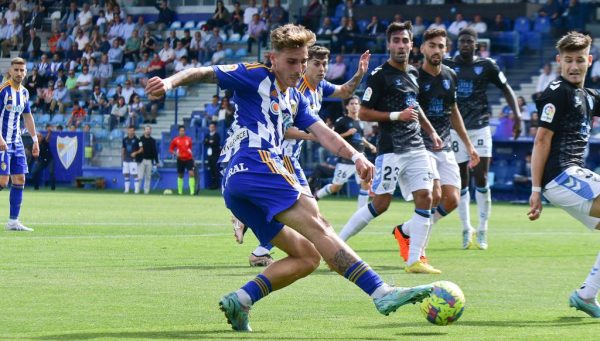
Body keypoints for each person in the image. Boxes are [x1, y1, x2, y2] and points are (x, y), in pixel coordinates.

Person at [145, 23, 434, 332]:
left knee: (307, 256)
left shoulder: (296, 99)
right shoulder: (254, 74)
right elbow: (204, 71)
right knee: (320, 226)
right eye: (291, 62)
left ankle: (241, 299)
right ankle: (381, 293)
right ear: (273, 57)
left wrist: (356, 155)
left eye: (302, 61)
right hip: (256, 161)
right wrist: (170, 82)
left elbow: (325, 134)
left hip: (239, 184)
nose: (298, 69)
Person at [339, 22, 443, 274]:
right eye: (396, 40)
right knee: (381, 203)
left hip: (416, 145)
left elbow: (414, 108)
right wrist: (397, 116)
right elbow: (362, 113)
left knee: (427, 197)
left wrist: (431, 132)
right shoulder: (379, 75)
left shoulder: (414, 73)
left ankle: (414, 261)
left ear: (411, 44)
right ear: (388, 44)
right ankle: (336, 245)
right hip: (391, 149)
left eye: (405, 40)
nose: (401, 45)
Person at [392, 28, 480, 270]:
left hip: (445, 145)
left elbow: (453, 111)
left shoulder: (450, 75)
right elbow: (412, 109)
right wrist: (429, 131)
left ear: (446, 49)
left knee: (452, 200)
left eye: (441, 46)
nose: (437, 50)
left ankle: (407, 230)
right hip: (420, 145)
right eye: (432, 46)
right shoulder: (414, 77)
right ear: (422, 49)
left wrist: (468, 144)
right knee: (435, 194)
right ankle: (418, 254)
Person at [528, 31, 600, 319]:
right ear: (559, 61)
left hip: (571, 176)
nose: (574, 66)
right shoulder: (557, 93)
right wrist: (535, 189)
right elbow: (541, 140)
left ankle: (586, 295)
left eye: (579, 60)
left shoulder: (589, 96)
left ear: (589, 61)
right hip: (561, 175)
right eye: (568, 60)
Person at [443, 27, 521, 250]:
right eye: (462, 41)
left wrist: (517, 115)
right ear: (458, 43)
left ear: (477, 44)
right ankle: (467, 229)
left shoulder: (487, 66)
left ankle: (483, 229)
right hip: (456, 130)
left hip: (480, 128)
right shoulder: (448, 65)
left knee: (482, 177)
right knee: (462, 180)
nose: (465, 44)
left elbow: (506, 88)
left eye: (469, 41)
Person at [315, 95, 376, 207]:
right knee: (336, 187)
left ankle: (360, 213)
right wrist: (347, 133)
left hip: (361, 158)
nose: (354, 106)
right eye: (352, 104)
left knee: (365, 184)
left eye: (356, 104)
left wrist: (370, 145)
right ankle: (317, 195)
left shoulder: (360, 122)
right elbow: (333, 137)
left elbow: (360, 137)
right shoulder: (341, 121)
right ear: (347, 106)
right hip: (346, 160)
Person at [1, 57, 39, 231]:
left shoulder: (24, 93)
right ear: (10, 71)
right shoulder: (3, 90)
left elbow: (27, 117)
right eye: (16, 70)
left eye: (22, 70)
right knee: (2, 181)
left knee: (20, 179)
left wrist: (35, 140)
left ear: (26, 72)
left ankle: (13, 222)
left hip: (16, 142)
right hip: (2, 141)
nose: (19, 73)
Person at [169, 125, 195, 196]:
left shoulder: (188, 139)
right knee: (180, 175)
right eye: (181, 131)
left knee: (191, 173)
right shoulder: (175, 140)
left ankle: (192, 192)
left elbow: (190, 150)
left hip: (189, 159)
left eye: (183, 131)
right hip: (180, 159)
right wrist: (175, 153)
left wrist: (193, 159)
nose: (182, 132)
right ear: (178, 131)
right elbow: (171, 149)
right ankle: (180, 192)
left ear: (185, 131)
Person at [31, 126, 55, 191]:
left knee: (51, 172)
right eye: (37, 136)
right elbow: (34, 154)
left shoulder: (45, 140)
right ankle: (36, 187)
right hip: (41, 161)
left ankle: (53, 188)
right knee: (34, 172)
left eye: (40, 136)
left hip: (50, 159)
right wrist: (36, 160)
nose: (39, 137)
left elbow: (48, 138)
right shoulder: (35, 144)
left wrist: (49, 132)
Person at [138, 125, 159, 194]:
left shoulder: (153, 140)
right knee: (140, 177)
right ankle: (137, 190)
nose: (148, 131)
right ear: (144, 130)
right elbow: (138, 150)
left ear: (151, 130)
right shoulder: (140, 139)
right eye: (146, 129)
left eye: (149, 129)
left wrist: (157, 161)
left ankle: (146, 191)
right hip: (142, 160)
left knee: (148, 177)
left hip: (150, 161)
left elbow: (154, 152)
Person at [122, 126, 142, 194]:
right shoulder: (125, 139)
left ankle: (136, 190)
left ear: (134, 131)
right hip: (126, 159)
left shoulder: (137, 139)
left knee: (134, 174)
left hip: (133, 160)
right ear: (128, 131)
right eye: (130, 130)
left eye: (132, 130)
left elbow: (141, 149)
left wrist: (135, 153)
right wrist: (123, 158)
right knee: (126, 174)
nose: (131, 132)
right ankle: (126, 190)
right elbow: (123, 149)